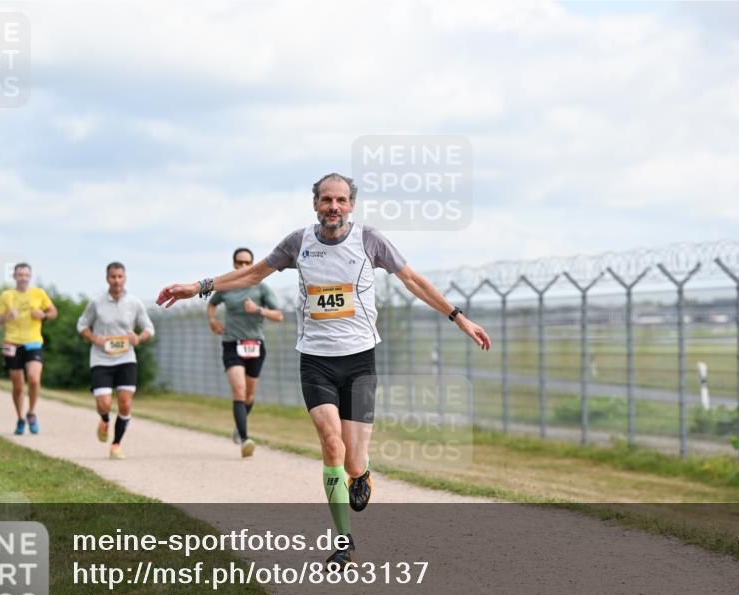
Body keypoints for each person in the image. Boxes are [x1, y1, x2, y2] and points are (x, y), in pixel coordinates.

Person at [158, 173, 492, 569]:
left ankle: (362, 473)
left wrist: (458, 317)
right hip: (315, 360)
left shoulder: (370, 240)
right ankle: (343, 542)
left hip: (360, 361)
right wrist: (198, 286)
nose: (334, 207)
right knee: (331, 444)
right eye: (326, 200)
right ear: (315, 203)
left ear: (351, 205)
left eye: (341, 200)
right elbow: (251, 275)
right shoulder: (298, 243)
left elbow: (413, 281)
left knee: (353, 461)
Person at [207, 247, 284, 458]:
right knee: (239, 391)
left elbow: (278, 316)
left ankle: (238, 428)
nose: (242, 266)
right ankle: (244, 438)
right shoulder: (226, 287)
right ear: (234, 265)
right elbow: (211, 305)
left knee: (249, 395)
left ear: (252, 264)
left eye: (247, 263)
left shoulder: (262, 288)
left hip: (256, 345)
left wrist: (258, 310)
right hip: (232, 344)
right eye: (239, 263)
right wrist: (213, 322)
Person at [77, 262, 155, 460]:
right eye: (113, 277)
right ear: (107, 278)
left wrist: (138, 338)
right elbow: (82, 325)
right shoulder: (97, 302)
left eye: (120, 276)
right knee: (104, 404)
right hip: (101, 358)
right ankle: (104, 419)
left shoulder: (134, 303)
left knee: (125, 404)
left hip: (126, 358)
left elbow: (149, 329)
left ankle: (116, 445)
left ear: (125, 278)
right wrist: (94, 338)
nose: (117, 280)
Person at [0, 263, 57, 435]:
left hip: (33, 343)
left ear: (30, 276)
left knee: (34, 379)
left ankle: (31, 412)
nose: (23, 278)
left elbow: (53, 312)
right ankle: (20, 418)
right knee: (18, 386)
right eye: (20, 275)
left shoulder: (39, 293)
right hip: (11, 343)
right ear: (14, 276)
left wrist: (43, 315)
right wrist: (7, 317)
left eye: (26, 275)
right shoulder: (6, 295)